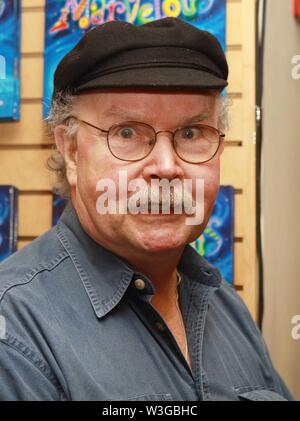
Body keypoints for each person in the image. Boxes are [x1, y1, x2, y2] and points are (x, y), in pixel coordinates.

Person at [0, 18, 293, 401]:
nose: (167, 167)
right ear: (71, 151)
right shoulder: (17, 332)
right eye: (126, 132)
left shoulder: (225, 305)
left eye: (191, 133)